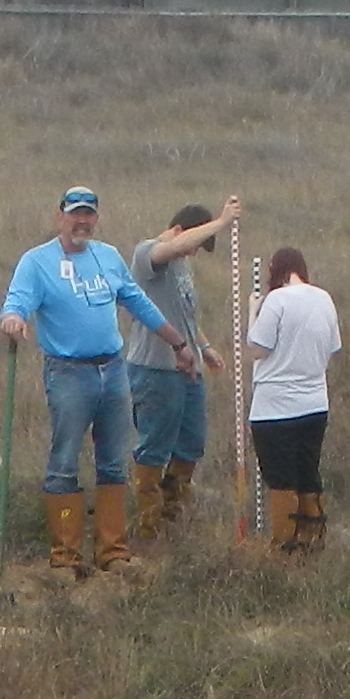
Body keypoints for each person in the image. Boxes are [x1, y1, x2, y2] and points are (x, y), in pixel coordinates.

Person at [0, 184, 171, 580]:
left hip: (112, 370)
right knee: (64, 462)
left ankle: (112, 551)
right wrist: (13, 318)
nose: (81, 220)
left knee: (113, 460)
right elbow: (17, 300)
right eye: (74, 213)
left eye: (88, 214)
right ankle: (65, 554)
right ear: (60, 216)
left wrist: (176, 340)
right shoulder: (37, 262)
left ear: (96, 218)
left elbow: (135, 300)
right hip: (68, 373)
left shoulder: (107, 257)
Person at [124, 196, 237, 542]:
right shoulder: (148, 254)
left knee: (191, 445)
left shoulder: (183, 266)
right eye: (194, 244)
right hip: (156, 368)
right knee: (154, 448)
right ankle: (148, 528)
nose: (193, 254)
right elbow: (170, 250)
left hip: (190, 371)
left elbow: (184, 314)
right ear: (178, 231)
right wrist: (221, 223)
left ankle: (175, 517)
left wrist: (204, 347)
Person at [244, 246, 343, 559]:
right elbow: (332, 348)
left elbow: (258, 348)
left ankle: (284, 547)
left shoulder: (276, 301)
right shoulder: (324, 298)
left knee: (281, 478)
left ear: (275, 270)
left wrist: (252, 311)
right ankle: (312, 539)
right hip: (315, 404)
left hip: (274, 407)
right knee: (308, 472)